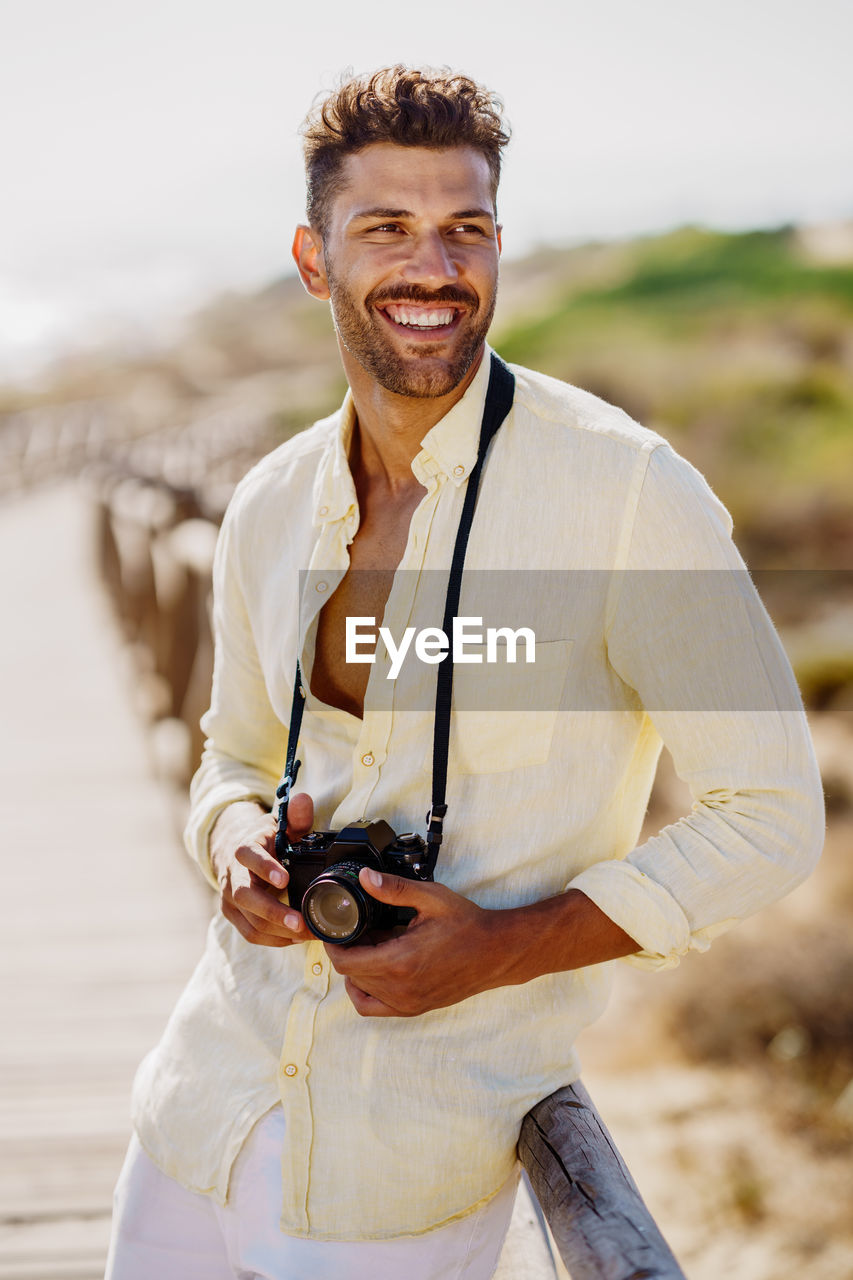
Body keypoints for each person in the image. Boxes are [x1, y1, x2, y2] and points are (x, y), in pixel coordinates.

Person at [106, 66, 824, 1279]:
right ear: (312, 257)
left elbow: (773, 815)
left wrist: (506, 943)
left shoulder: (625, 492)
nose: (433, 268)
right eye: (385, 227)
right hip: (194, 1115)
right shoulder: (272, 503)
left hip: (407, 1177)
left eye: (466, 228)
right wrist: (230, 841)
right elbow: (228, 754)